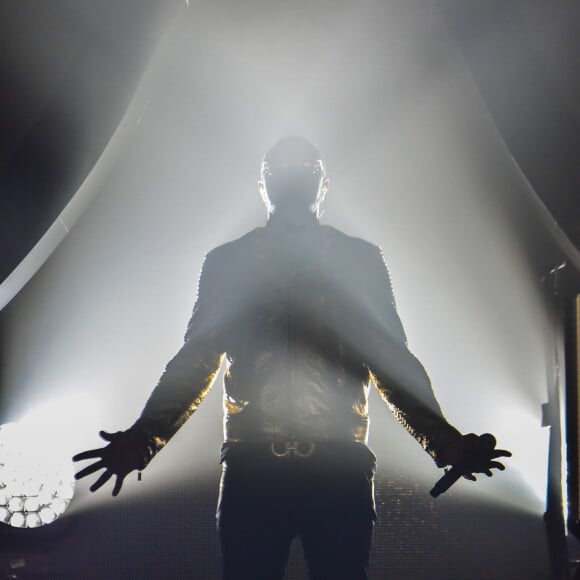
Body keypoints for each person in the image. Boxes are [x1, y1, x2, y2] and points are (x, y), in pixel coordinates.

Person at [74, 136, 510, 580]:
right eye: (282, 171)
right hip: (269, 469)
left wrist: (445, 442)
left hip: (316, 469)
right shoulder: (236, 262)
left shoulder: (348, 260)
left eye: (303, 170)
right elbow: (198, 359)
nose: (293, 180)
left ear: (322, 184)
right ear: (264, 185)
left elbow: (389, 359)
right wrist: (144, 438)